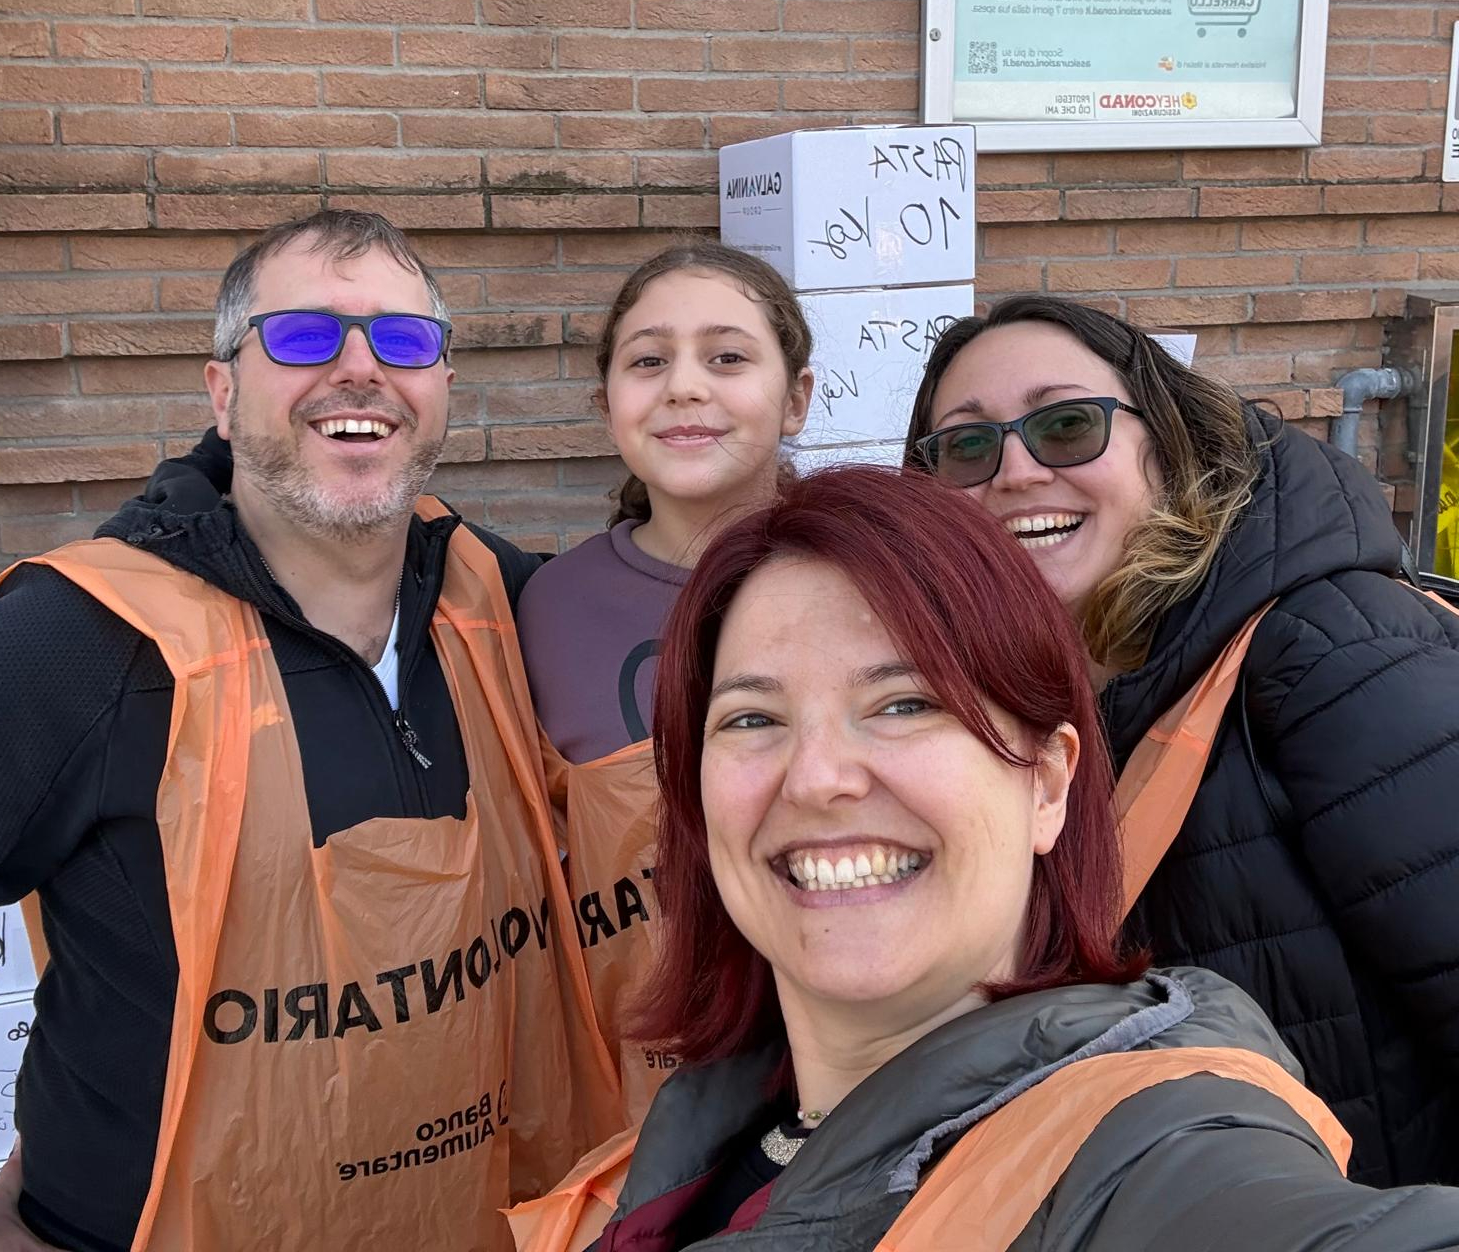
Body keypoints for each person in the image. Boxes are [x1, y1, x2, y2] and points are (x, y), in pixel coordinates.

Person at [0, 210, 620, 1252]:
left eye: (403, 340)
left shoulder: (499, 597)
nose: (361, 369)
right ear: (221, 392)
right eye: (304, 336)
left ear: (444, 383)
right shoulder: (79, 645)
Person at [506, 467, 1459, 1252]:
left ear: (1047, 783)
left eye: (904, 704)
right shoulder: (683, 1145)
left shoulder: (1141, 1150)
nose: (818, 778)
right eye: (753, 719)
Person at [903, 294, 1459, 1188]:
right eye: (968, 446)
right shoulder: (997, 702)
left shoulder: (1328, 650)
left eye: (1067, 425)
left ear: (1165, 442)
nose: (1014, 473)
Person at [516, 244, 813, 1118]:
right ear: (607, 403)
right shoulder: (548, 607)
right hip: (644, 1079)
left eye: (727, 357)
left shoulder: (867, 579)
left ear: (796, 398)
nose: (684, 387)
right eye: (648, 362)